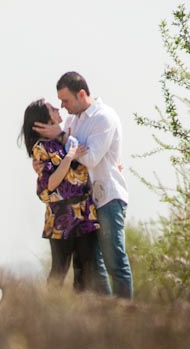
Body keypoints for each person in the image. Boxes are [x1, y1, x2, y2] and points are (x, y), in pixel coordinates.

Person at [33, 71, 133, 300]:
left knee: (114, 260)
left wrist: (62, 137)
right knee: (93, 266)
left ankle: (128, 317)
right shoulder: (71, 122)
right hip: (85, 205)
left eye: (65, 100)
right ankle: (106, 312)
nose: (62, 105)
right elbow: (62, 156)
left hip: (107, 197)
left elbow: (90, 158)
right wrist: (39, 162)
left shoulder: (104, 118)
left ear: (81, 94)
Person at [21, 98, 102, 292]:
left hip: (85, 212)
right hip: (61, 215)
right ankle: (51, 312)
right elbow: (51, 183)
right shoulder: (41, 148)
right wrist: (69, 157)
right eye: (51, 108)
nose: (58, 108)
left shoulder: (67, 136)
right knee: (59, 269)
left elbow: (90, 159)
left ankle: (83, 314)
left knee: (85, 269)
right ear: (44, 119)